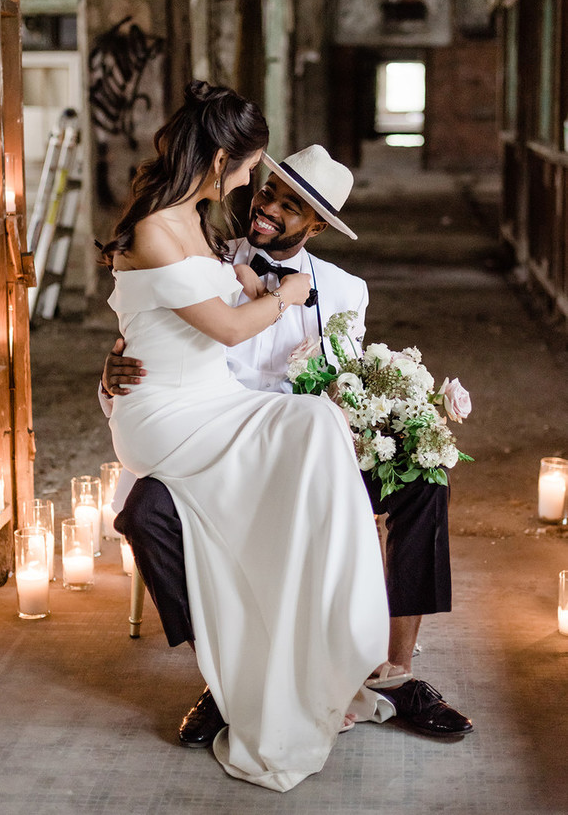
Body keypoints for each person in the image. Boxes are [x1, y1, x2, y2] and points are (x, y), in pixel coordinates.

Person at [101, 142, 473, 743]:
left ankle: (397, 676)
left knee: (425, 481)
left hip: (313, 453)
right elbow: (151, 350)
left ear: (318, 225)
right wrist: (108, 375)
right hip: (216, 448)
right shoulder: (206, 262)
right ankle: (225, 679)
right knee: (144, 514)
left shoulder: (348, 292)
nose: (266, 207)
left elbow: (353, 387)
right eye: (266, 190)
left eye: (289, 204)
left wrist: (390, 420)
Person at [97, 80, 392, 792]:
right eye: (251, 170)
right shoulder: (156, 227)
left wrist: (259, 286)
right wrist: (280, 297)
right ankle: (269, 656)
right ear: (223, 156)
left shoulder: (201, 219)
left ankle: (327, 634)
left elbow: (216, 303)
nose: (252, 186)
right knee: (297, 441)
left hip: (213, 399)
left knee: (318, 424)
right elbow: (224, 327)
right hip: (169, 411)